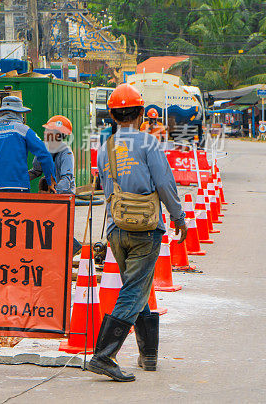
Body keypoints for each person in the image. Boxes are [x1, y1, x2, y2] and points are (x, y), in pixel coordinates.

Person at [87, 83, 187, 382]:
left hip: (117, 229)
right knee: (134, 289)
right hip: (145, 228)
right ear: (141, 113)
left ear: (113, 116)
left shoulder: (105, 148)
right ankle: (104, 355)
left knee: (138, 286)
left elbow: (107, 190)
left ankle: (149, 355)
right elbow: (165, 184)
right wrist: (179, 217)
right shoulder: (149, 144)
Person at [29, 115, 82, 256]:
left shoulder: (66, 153)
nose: (46, 133)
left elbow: (67, 178)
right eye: (47, 131)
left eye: (49, 131)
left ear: (58, 135)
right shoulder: (43, 151)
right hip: (51, 196)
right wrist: (18, 179)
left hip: (64, 196)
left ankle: (72, 251)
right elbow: (36, 171)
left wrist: (56, 191)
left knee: (60, 227)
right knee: (48, 227)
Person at [0, 96, 55, 192]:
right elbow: (44, 153)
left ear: (1, 112)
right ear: (18, 113)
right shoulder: (23, 129)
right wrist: (50, 180)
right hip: (18, 187)